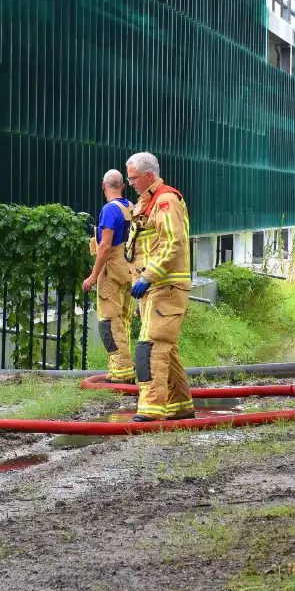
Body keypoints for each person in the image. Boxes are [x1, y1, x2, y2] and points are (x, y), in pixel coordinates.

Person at [124, 152, 193, 422]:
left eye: (133, 178)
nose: (130, 182)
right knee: (166, 347)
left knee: (151, 346)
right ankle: (179, 405)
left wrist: (147, 277)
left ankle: (151, 409)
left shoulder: (165, 201)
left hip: (164, 285)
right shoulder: (147, 202)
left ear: (148, 176)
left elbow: (171, 243)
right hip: (154, 287)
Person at [82, 169, 136, 384]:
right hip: (128, 269)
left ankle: (121, 372)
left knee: (109, 322)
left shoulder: (109, 210)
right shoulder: (131, 207)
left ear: (103, 186)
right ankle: (122, 368)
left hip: (111, 271)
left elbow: (104, 246)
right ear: (122, 186)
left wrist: (93, 276)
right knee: (124, 320)